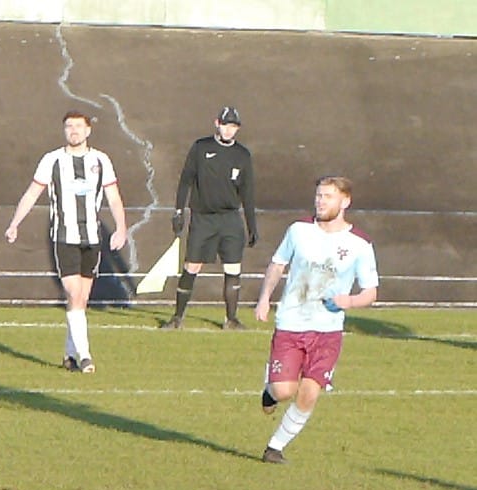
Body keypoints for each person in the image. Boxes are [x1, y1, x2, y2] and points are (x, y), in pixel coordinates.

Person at [254, 176, 378, 464]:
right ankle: (270, 392)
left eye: (328, 197)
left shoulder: (359, 244)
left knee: (309, 394)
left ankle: (275, 448)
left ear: (345, 202)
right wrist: (264, 298)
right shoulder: (298, 230)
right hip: (291, 323)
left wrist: (350, 301)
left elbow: (371, 292)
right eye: (319, 196)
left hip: (328, 331)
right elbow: (278, 263)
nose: (320, 202)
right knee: (285, 391)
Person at [3, 110, 127, 373]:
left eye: (78, 127)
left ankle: (69, 354)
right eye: (69, 127)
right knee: (72, 292)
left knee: (81, 298)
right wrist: (15, 223)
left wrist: (121, 228)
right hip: (64, 237)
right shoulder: (52, 160)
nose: (73, 131)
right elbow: (32, 193)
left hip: (92, 238)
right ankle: (84, 355)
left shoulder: (100, 160)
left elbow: (113, 197)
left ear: (88, 131)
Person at [161, 106, 257, 330]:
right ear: (217, 123)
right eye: (225, 125)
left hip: (230, 219)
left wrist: (251, 225)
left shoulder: (242, 155)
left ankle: (231, 319)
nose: (228, 130)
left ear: (237, 129)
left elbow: (248, 192)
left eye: (232, 126)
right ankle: (177, 317)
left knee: (233, 268)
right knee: (192, 266)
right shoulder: (201, 147)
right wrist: (178, 211)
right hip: (203, 219)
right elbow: (186, 180)